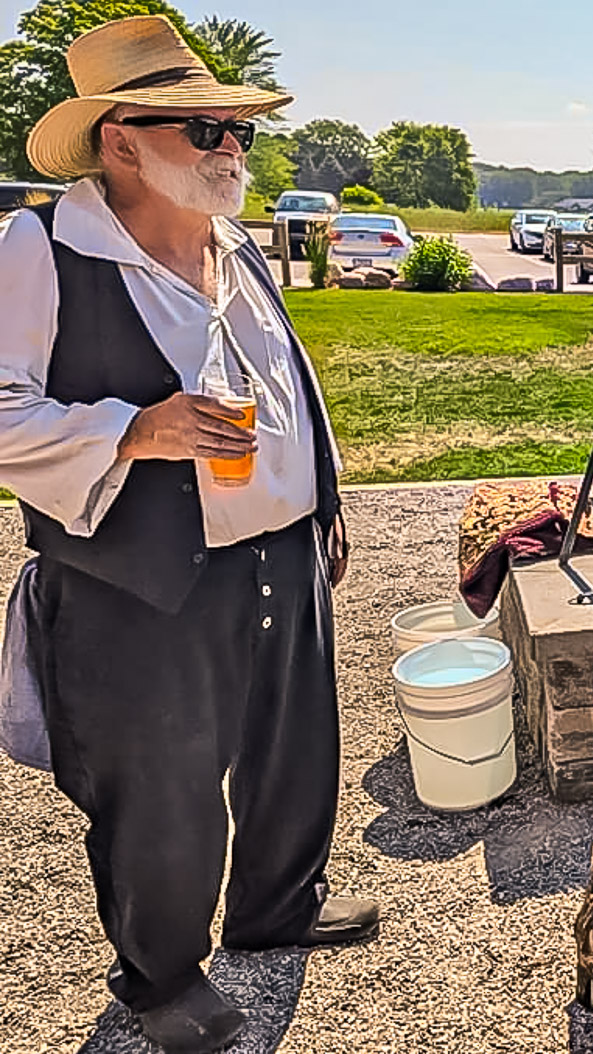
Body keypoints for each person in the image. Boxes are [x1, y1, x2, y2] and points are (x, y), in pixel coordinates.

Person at [0, 17, 377, 1052]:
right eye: (206, 129)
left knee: (292, 747)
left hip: (280, 549)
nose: (232, 151)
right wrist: (135, 428)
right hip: (141, 578)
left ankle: (276, 906)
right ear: (119, 140)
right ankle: (160, 978)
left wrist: (322, 499)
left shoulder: (236, 243)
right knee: (159, 786)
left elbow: (284, 381)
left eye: (238, 132)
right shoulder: (43, 247)